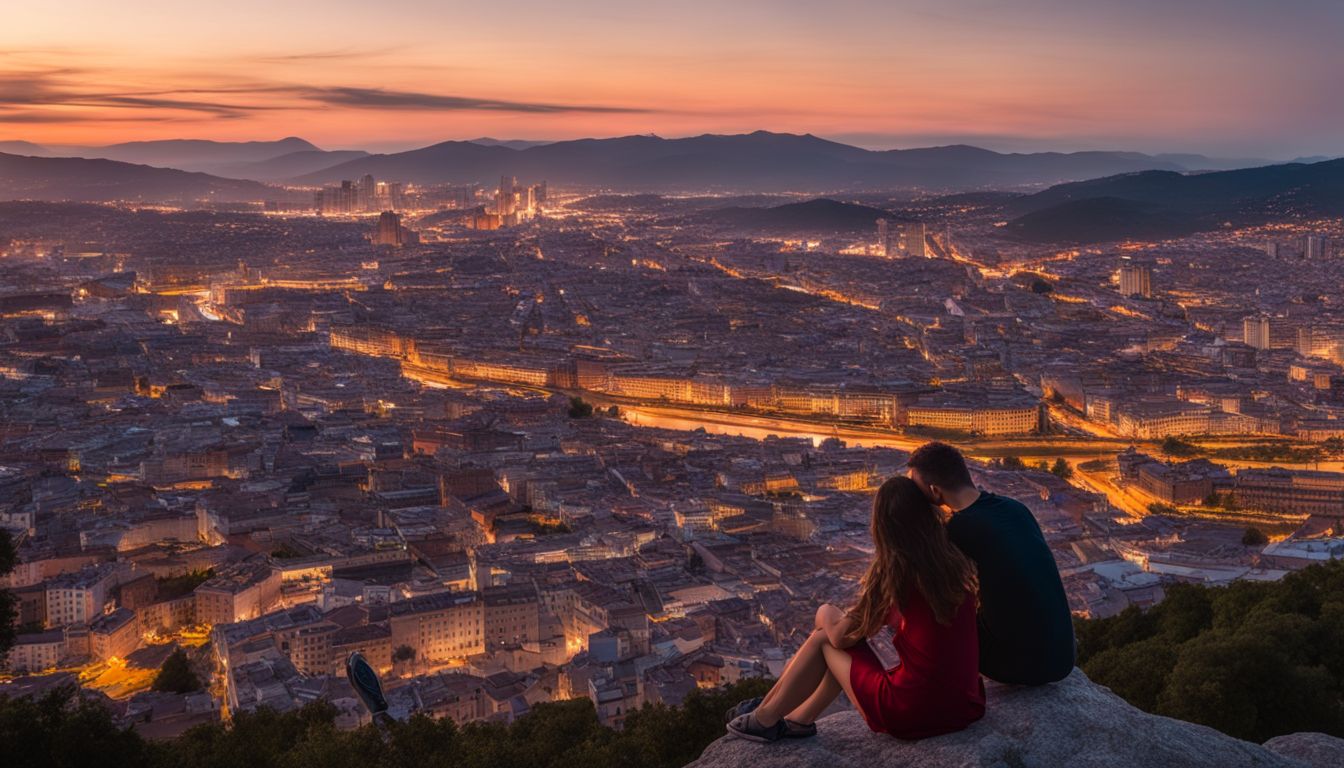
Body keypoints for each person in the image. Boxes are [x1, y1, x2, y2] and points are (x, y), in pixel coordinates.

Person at [726, 476, 985, 743]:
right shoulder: (953, 564)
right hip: (963, 706)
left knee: (825, 639)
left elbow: (839, 637)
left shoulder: (897, 574)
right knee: (848, 647)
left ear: (882, 525)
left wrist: (824, 612)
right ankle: (796, 720)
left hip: (914, 711)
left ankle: (763, 719)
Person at [906, 441, 1075, 686]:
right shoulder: (1015, 509)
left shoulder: (958, 529)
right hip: (1062, 658)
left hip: (1021, 666)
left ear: (934, 491)